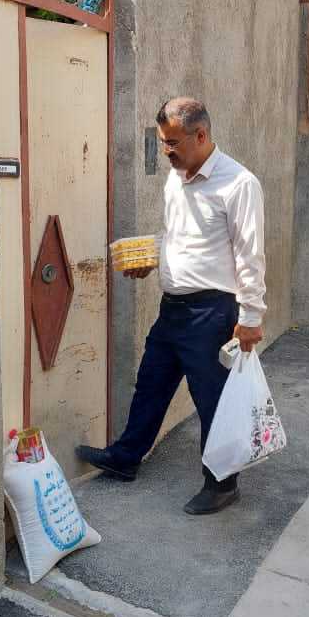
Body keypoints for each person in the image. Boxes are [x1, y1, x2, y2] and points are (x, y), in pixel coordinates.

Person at [76, 97, 266, 514]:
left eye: (173, 142)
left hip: (212, 312)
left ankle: (222, 484)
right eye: (163, 141)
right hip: (173, 308)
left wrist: (251, 317)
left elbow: (250, 255)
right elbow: (176, 234)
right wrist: (153, 259)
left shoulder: (239, 183)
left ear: (201, 135)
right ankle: (126, 458)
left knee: (211, 399)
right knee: (151, 382)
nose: (166, 151)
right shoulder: (176, 178)